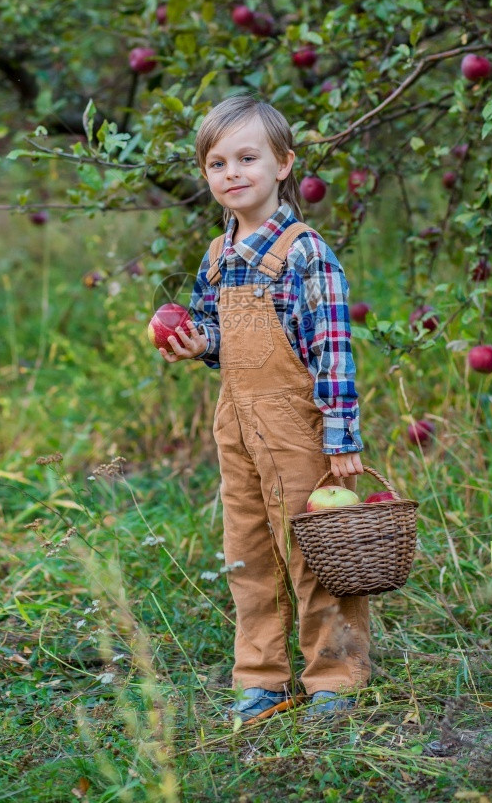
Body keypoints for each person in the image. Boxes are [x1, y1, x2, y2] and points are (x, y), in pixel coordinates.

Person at [157, 94, 370, 722]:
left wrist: (342, 435)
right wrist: (197, 342)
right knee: (246, 549)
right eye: (217, 162)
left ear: (283, 165)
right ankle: (264, 675)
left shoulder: (305, 253)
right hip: (237, 420)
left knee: (313, 547)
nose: (232, 173)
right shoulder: (217, 256)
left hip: (297, 424)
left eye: (247, 157)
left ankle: (335, 674)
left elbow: (332, 351)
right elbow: (219, 336)